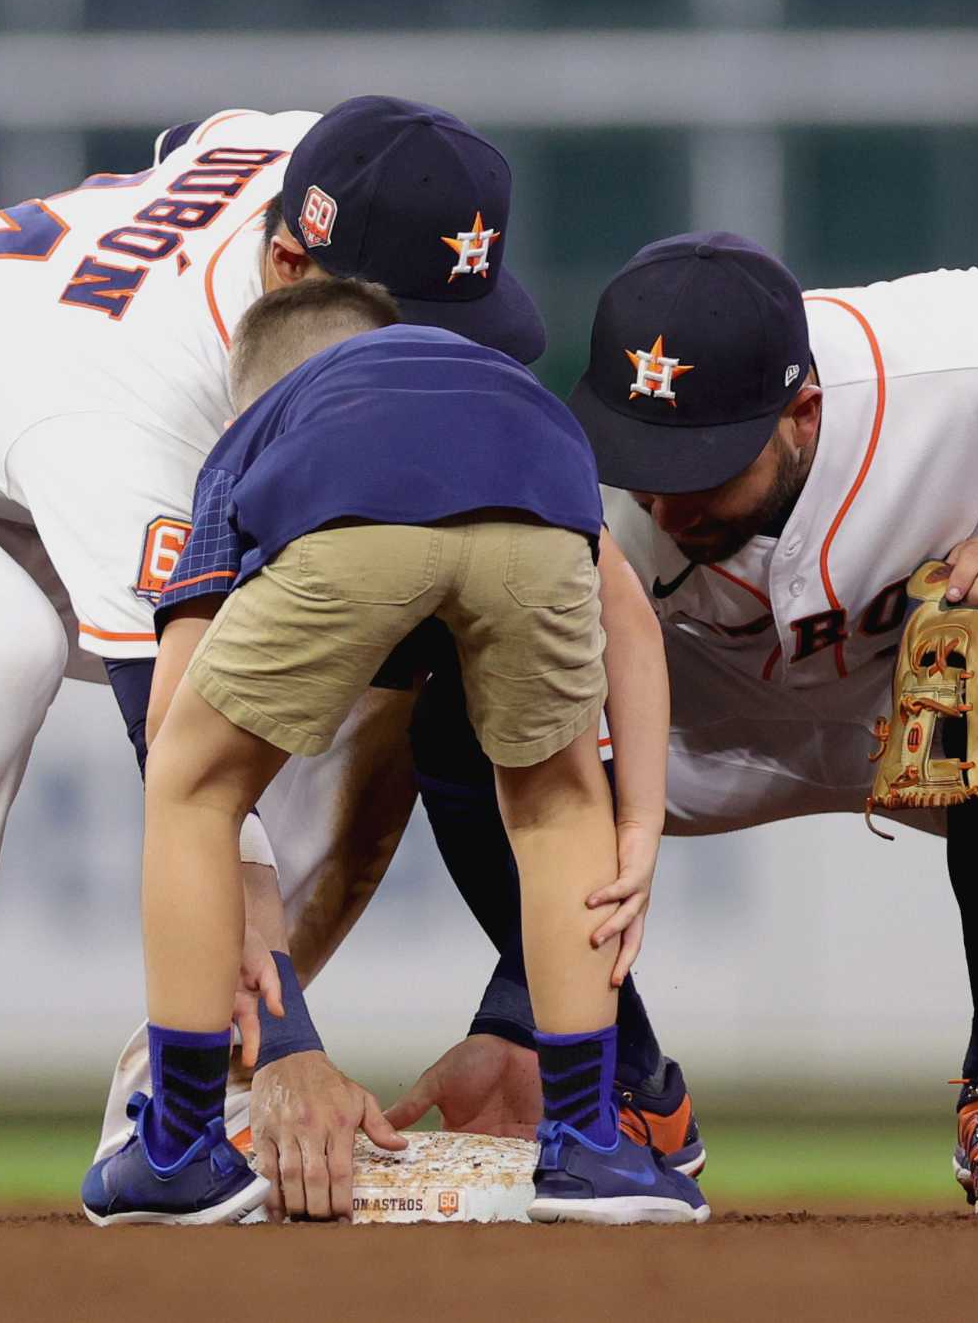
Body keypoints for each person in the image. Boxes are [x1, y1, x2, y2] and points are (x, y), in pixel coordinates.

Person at [0, 95, 545, 1221]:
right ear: (286, 266)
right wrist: (290, 1042)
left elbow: (218, 142)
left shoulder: (314, 166)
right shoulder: (127, 407)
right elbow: (189, 759)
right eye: (398, 329)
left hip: (10, 455)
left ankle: (180, 1099)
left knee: (374, 659)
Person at [354, 235, 978, 1220]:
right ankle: (627, 1081)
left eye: (701, 466)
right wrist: (516, 1007)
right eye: (642, 455)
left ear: (802, 415)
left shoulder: (961, 362)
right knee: (465, 701)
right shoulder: (574, 478)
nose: (664, 494)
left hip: (911, 706)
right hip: (684, 723)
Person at [81, 280, 706, 1226]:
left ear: (251, 395)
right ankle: (587, 1148)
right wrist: (641, 818)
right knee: (555, 806)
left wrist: (233, 893)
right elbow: (635, 628)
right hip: (540, 497)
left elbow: (175, 714)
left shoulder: (264, 428)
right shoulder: (497, 391)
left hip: (349, 513)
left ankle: (176, 1147)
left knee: (189, 785)